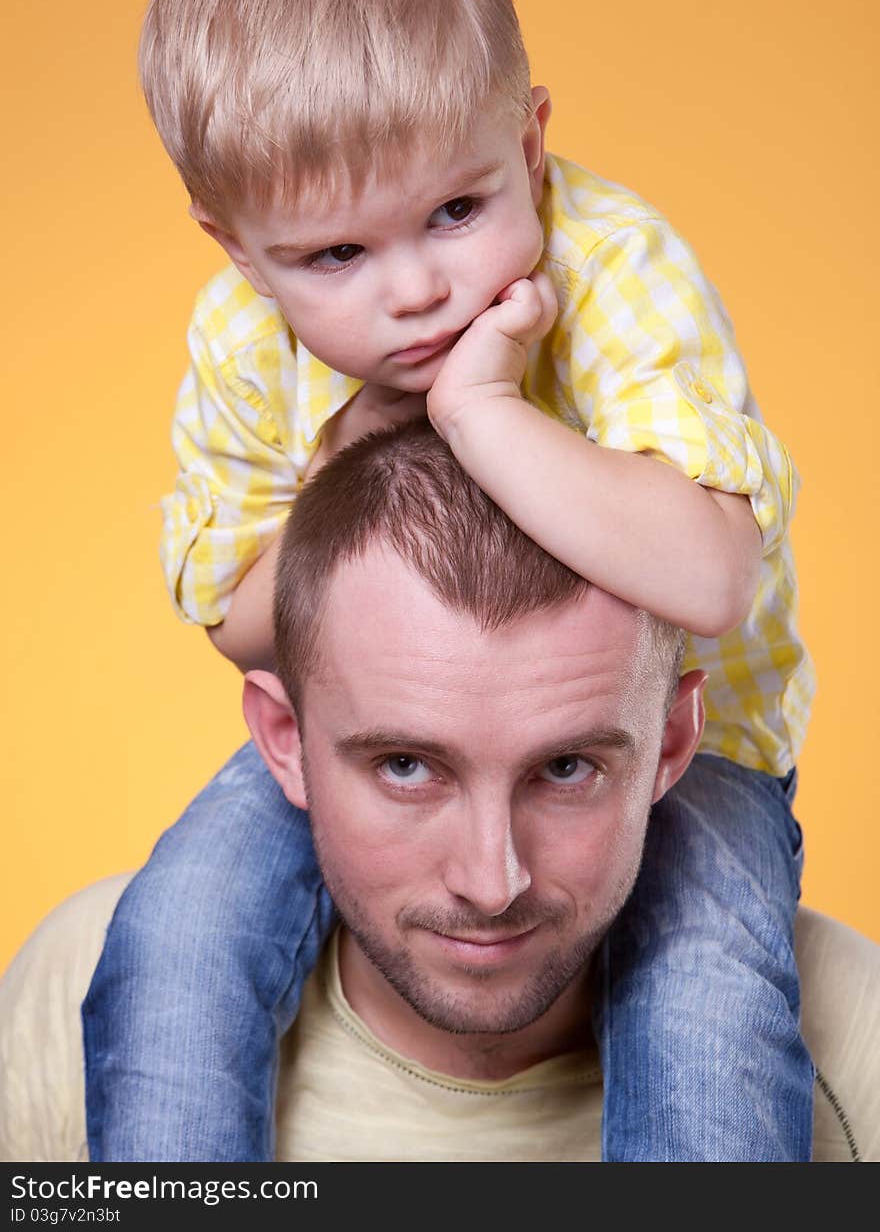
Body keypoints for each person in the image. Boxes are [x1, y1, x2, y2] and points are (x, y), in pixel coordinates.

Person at [83, 0, 815, 1162]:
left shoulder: (617, 268)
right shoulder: (246, 340)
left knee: (707, 1003)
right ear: (237, 249)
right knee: (175, 936)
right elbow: (242, 615)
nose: (418, 293)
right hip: (393, 756)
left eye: (458, 211)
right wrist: (359, 446)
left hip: (662, 757)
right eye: (336, 257)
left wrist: (485, 416)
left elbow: (708, 577)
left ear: (530, 142)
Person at [9, 425, 859, 1163]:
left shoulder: (856, 1040)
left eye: (566, 769)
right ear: (284, 741)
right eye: (406, 767)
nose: (492, 884)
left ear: (674, 743)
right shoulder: (82, 987)